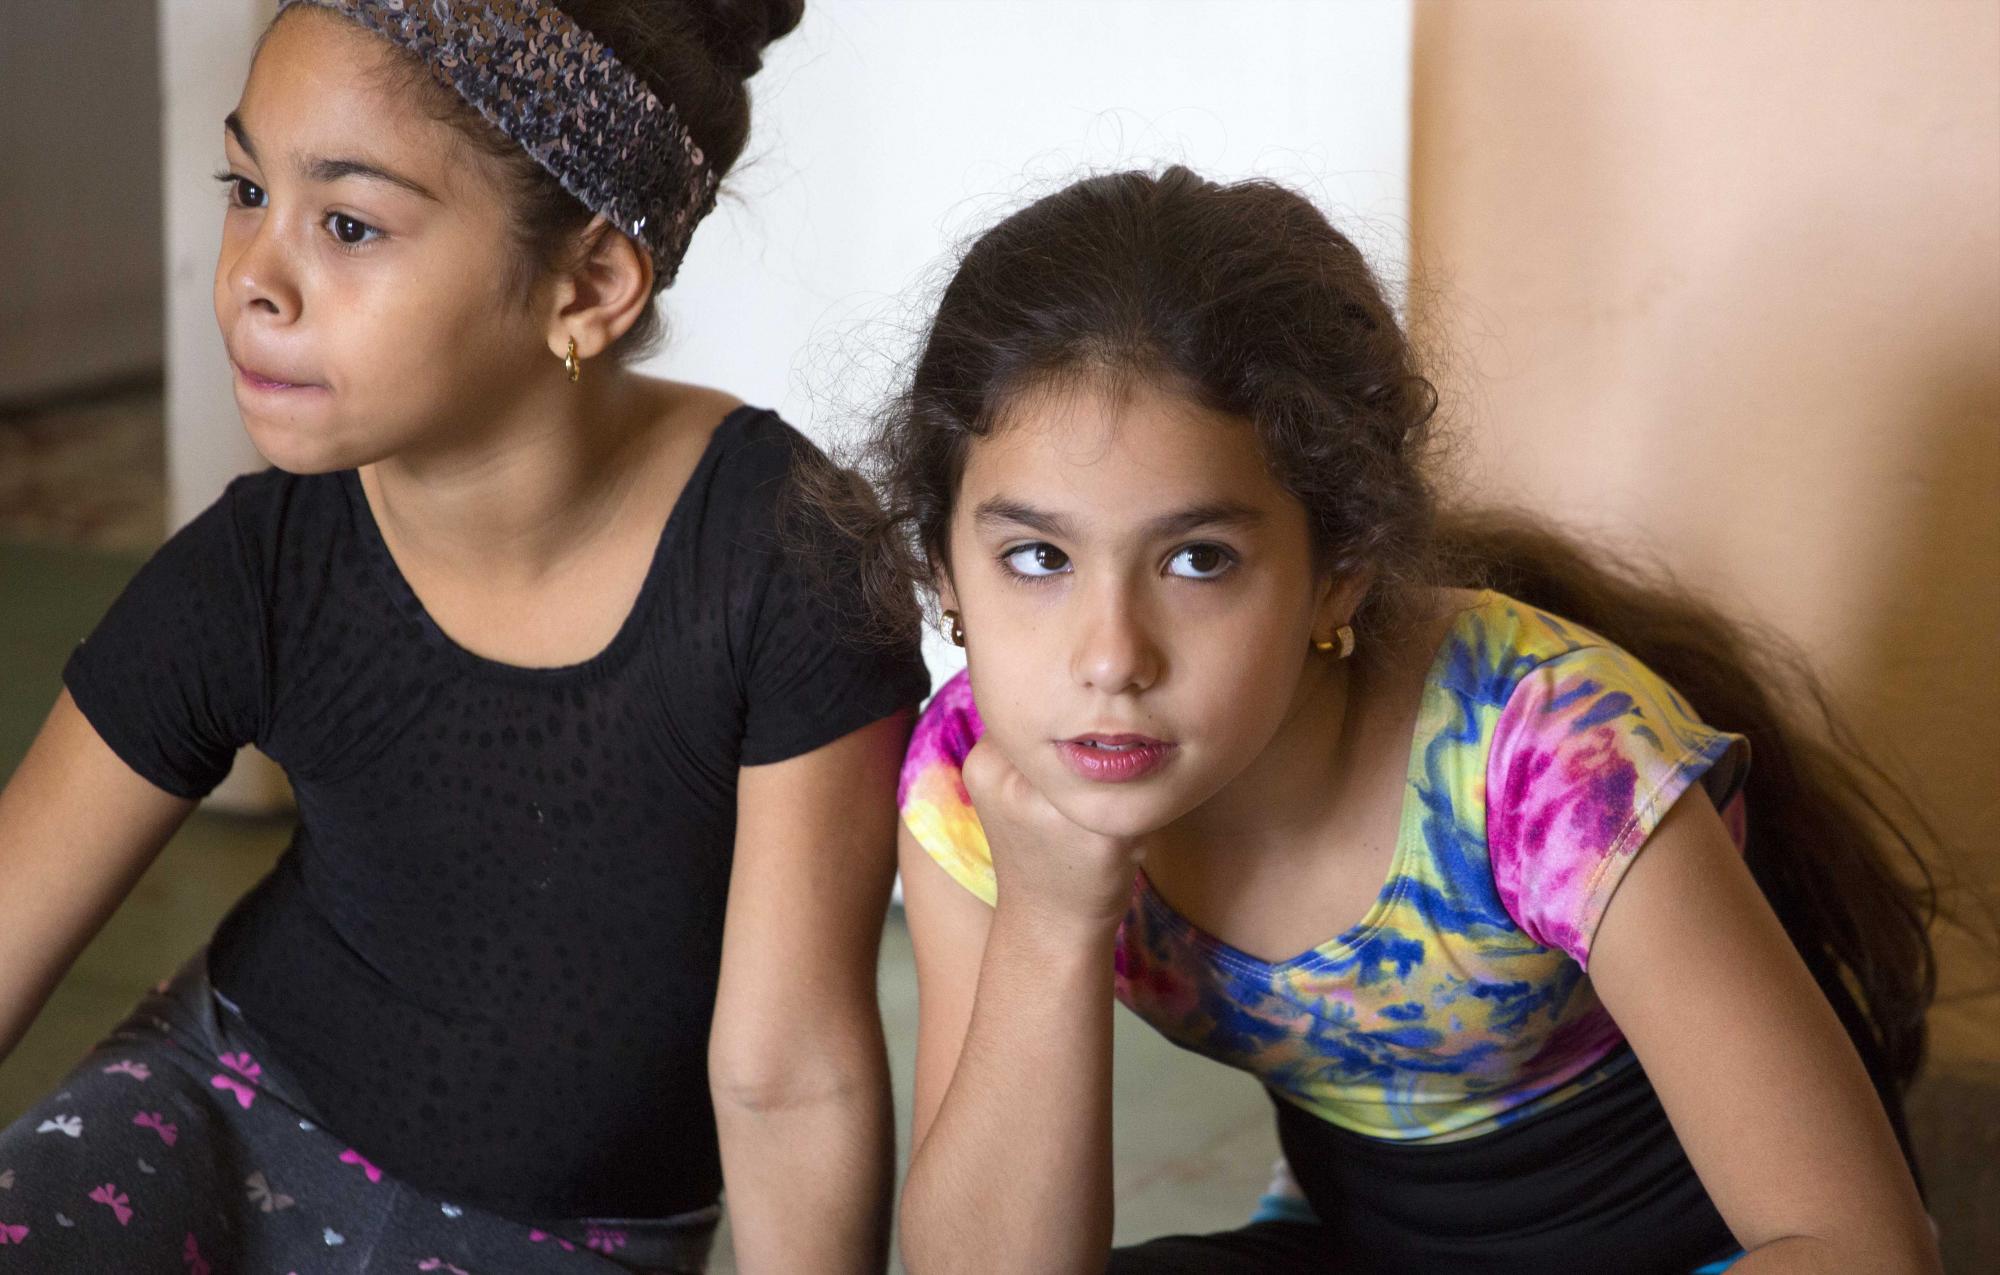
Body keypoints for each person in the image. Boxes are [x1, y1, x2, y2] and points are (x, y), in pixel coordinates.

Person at [835, 166, 1942, 1273]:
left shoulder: (1548, 758)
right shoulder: (978, 785)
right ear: (943, 569)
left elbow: (1860, 1248)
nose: (1110, 658)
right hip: (1355, 1242)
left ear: (1339, 575)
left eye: (1197, 559)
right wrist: (1047, 923)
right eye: (1037, 557)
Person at [0, 2, 927, 1271]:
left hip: (570, 1231)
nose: (252, 277)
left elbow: (790, 1079)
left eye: (347, 224)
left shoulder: (787, 568)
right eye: (246, 189)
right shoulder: (261, 566)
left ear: (587, 286)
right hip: (216, 1109)